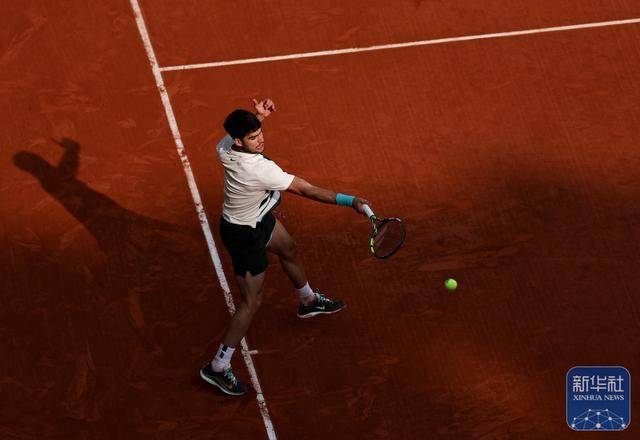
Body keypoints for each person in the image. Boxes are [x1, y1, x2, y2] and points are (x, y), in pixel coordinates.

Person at [200, 98, 370, 395]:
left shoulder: (224, 147)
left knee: (288, 248)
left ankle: (308, 301)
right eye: (253, 137)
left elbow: (242, 134)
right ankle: (218, 366)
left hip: (259, 218)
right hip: (244, 235)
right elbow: (306, 189)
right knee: (251, 302)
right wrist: (349, 200)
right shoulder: (260, 170)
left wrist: (259, 116)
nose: (260, 140)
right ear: (239, 142)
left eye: (259, 133)